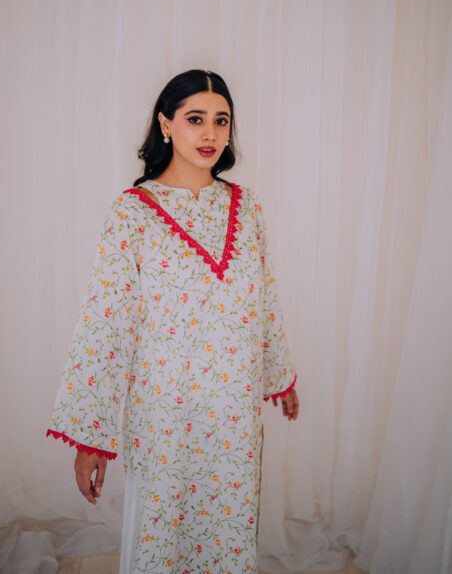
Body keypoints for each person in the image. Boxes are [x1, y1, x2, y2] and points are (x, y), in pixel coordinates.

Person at [46, 69, 299, 573]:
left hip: (233, 415)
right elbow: (104, 324)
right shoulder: (133, 214)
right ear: (166, 124)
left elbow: (264, 298)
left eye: (221, 121)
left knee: (228, 530)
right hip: (163, 414)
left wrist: (279, 373)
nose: (210, 133)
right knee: (162, 536)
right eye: (195, 119)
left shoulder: (246, 208)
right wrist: (92, 437)